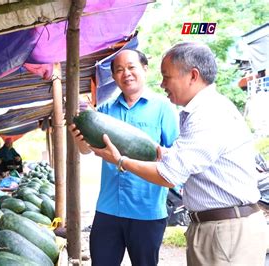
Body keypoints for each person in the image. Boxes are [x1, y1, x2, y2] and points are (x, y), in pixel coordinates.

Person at [86, 42, 267, 265]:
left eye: (167, 76)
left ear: (193, 76)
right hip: (214, 227)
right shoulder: (197, 112)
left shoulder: (207, 115)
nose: (162, 84)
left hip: (227, 230)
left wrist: (120, 160)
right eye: (119, 70)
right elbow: (185, 158)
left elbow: (169, 175)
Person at [69, 49, 179, 266]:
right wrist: (78, 136)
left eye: (131, 67)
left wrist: (162, 154)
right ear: (113, 77)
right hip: (108, 209)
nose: (125, 73)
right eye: (119, 70)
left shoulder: (163, 108)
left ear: (144, 69)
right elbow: (85, 150)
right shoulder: (104, 111)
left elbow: (176, 154)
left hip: (147, 210)